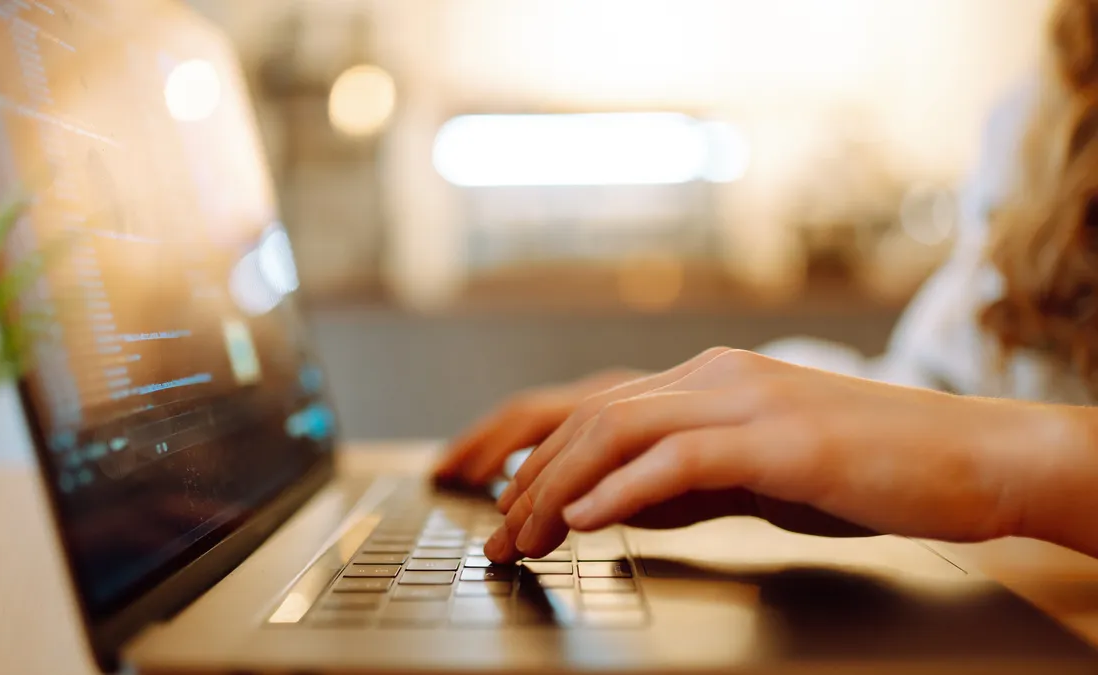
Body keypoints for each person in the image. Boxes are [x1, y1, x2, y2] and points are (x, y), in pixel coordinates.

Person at [434, 0, 1098, 562]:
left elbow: (976, 430)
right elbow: (953, 382)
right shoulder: (1050, 95)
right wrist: (708, 408)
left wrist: (1009, 459)